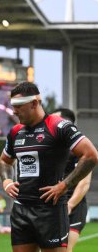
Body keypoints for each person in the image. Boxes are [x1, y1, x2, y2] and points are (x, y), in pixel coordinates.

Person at [0, 82, 98, 252]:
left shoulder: (59, 126)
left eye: (18, 106)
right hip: (21, 209)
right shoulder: (15, 132)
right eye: (12, 106)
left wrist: (64, 185)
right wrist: (7, 181)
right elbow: (4, 161)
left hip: (50, 211)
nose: (14, 111)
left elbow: (91, 156)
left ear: (34, 103)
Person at [52, 108, 92, 252]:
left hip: (73, 207)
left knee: (65, 250)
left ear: (67, 123)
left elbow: (84, 182)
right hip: (52, 204)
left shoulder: (81, 147)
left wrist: (69, 205)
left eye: (54, 120)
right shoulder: (50, 146)